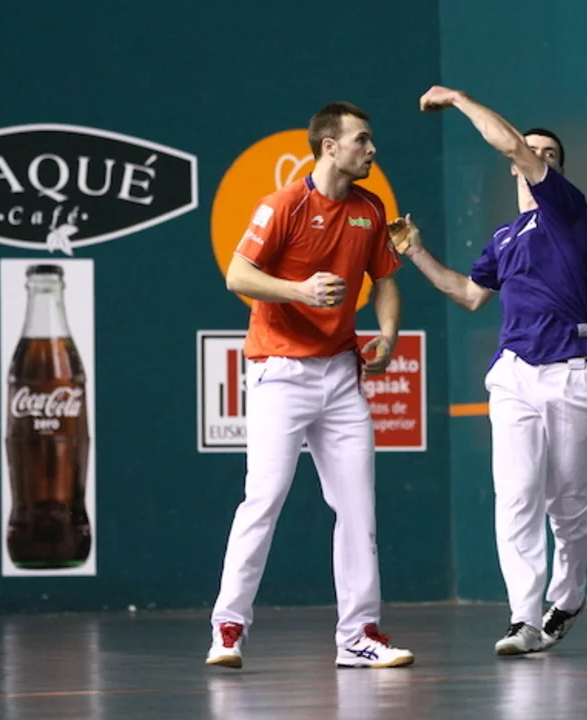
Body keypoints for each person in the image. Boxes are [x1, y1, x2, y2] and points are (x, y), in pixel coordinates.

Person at [391, 85, 587, 656]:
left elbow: (510, 143)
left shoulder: (567, 210)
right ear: (513, 170)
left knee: (567, 503)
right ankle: (523, 619)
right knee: (515, 497)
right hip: (513, 375)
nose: (534, 156)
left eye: (547, 154)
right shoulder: (504, 239)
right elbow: (467, 294)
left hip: (571, 374)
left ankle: (569, 597)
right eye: (532, 151)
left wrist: (458, 99)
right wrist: (416, 252)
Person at [205, 101, 414, 670]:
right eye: (361, 140)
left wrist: (387, 335)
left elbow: (384, 280)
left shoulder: (370, 209)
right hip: (280, 372)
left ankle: (358, 635)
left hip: (342, 375)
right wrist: (299, 291)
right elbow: (238, 274)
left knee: (358, 508)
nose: (371, 149)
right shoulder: (283, 205)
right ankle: (228, 628)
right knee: (264, 498)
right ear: (330, 146)